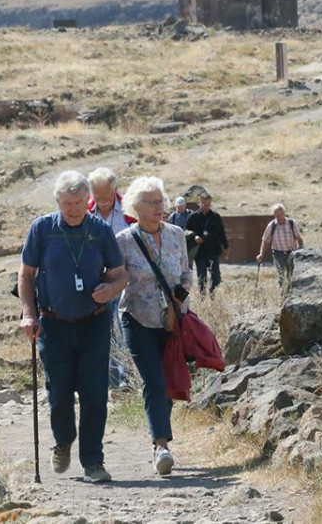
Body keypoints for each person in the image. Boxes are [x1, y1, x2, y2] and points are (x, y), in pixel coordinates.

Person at [19, 171, 128, 484]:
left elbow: (120, 274)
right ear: (58, 202)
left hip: (94, 322)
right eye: (67, 203)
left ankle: (93, 462)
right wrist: (29, 314)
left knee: (95, 393)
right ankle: (63, 441)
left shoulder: (99, 230)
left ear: (87, 200)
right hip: (53, 324)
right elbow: (26, 276)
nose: (74, 209)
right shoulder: (42, 229)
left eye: (79, 202)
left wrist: (111, 291)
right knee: (60, 393)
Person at [115, 177, 193, 476]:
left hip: (171, 320)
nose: (159, 206)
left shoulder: (176, 234)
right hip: (137, 318)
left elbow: (186, 271)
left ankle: (160, 439)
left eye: (161, 201)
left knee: (169, 380)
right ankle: (161, 446)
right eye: (151, 202)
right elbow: (116, 277)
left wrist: (182, 293)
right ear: (136, 207)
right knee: (154, 380)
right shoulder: (123, 240)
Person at [87, 167, 137, 389]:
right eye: (98, 197)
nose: (103, 202)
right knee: (100, 331)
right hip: (95, 283)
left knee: (121, 328)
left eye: (107, 197)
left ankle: (124, 377)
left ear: (115, 189)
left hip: (126, 281)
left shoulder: (130, 210)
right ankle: (106, 377)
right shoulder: (85, 212)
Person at [185, 193, 229, 294]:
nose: (206, 207)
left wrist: (226, 247)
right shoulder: (193, 217)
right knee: (202, 277)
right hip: (199, 252)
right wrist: (194, 236)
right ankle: (202, 298)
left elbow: (221, 232)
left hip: (213, 250)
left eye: (208, 205)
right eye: (204, 204)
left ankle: (213, 294)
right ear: (199, 203)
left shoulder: (215, 216)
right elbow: (185, 231)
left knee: (216, 276)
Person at [256, 203, 304, 290]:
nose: (279, 217)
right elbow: (265, 241)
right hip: (278, 254)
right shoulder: (271, 226)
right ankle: (284, 295)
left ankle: (293, 294)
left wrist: (301, 251)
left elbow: (299, 238)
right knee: (282, 275)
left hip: (292, 253)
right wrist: (261, 254)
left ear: (284, 213)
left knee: (292, 275)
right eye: (277, 215)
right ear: (274, 215)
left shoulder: (291, 223)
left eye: (281, 214)